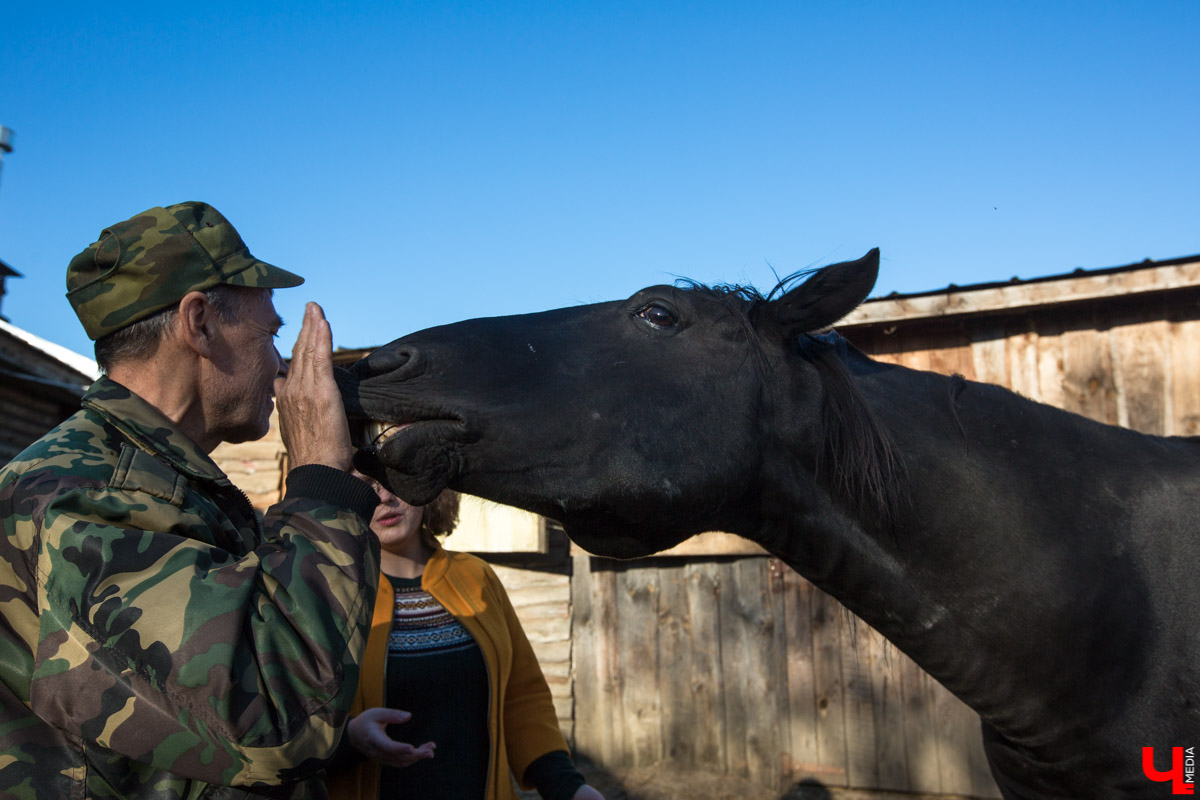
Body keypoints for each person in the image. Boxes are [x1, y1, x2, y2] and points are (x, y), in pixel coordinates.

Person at [0, 202, 382, 799]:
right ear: (199, 322)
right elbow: (270, 727)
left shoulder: (152, 477)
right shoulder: (94, 497)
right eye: (270, 334)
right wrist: (322, 486)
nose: (280, 364)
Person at [326, 473, 604, 800]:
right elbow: (291, 728)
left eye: (395, 480)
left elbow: (522, 696)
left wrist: (567, 787)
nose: (385, 496)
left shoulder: (477, 577)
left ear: (426, 485)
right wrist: (350, 739)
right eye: (367, 483)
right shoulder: (328, 594)